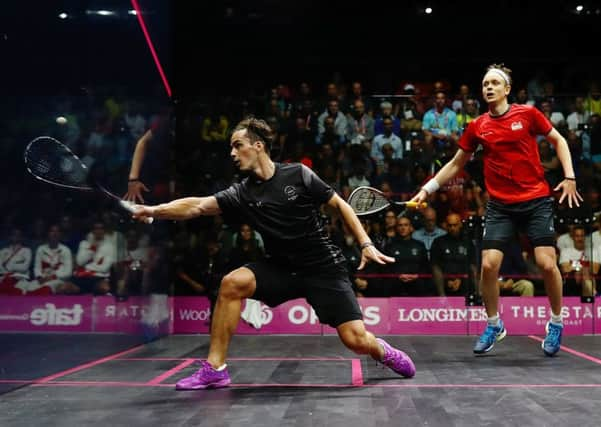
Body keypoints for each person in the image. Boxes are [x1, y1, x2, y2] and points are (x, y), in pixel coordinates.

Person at [132, 117, 415, 390]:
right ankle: (215, 370)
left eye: (237, 145)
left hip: (322, 267)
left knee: (355, 341)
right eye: (231, 147)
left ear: (258, 146)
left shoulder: (299, 175)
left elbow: (340, 205)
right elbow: (198, 206)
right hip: (280, 268)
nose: (232, 152)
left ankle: (382, 350)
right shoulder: (241, 193)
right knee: (231, 283)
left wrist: (365, 243)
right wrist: (154, 211)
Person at [410, 63, 582, 357]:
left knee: (546, 263)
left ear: (506, 89)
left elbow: (559, 140)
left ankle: (555, 321)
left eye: (493, 83)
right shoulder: (478, 126)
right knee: (489, 264)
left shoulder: (527, 115)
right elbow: (455, 164)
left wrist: (569, 176)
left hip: (536, 200)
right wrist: (427, 190)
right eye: (485, 84)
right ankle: (493, 324)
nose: (488, 87)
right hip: (500, 204)